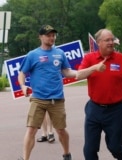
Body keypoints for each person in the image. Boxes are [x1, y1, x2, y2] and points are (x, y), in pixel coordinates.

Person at [76, 28, 122, 160]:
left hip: (116, 111)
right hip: (94, 109)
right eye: (107, 40)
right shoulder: (90, 58)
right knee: (89, 150)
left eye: (112, 39)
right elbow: (78, 75)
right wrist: (94, 68)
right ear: (99, 43)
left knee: (115, 147)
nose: (111, 42)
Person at [17, 24, 77, 160]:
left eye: (53, 35)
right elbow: (22, 73)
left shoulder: (60, 53)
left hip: (57, 98)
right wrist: (22, 86)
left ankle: (67, 154)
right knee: (31, 130)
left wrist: (79, 73)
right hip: (38, 98)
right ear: (40, 37)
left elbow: (67, 71)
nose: (52, 38)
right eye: (48, 35)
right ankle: (25, 158)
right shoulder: (32, 55)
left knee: (61, 130)